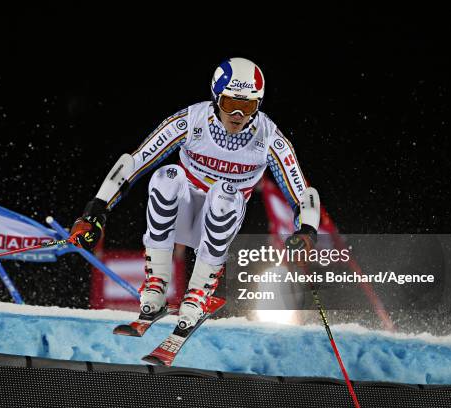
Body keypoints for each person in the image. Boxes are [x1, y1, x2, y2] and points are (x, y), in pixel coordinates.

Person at [68, 57, 321, 330]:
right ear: (216, 98)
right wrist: (95, 211)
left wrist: (307, 230)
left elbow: (302, 191)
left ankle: (198, 292)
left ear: (258, 105)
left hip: (221, 219)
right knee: (166, 176)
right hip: (182, 212)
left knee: (224, 192)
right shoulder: (191, 121)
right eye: (230, 104)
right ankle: (156, 284)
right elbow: (135, 162)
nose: (238, 116)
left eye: (247, 106)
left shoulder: (269, 136)